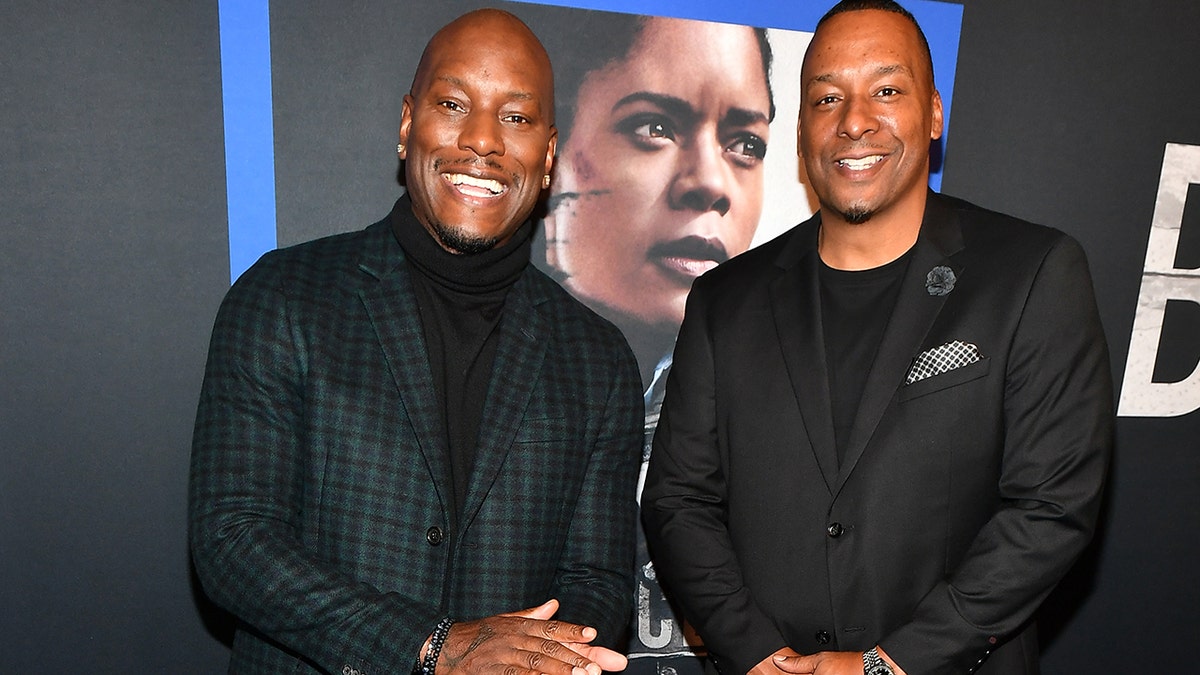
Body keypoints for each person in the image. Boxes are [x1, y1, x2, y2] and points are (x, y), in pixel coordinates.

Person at [641, 2, 1114, 675]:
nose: (854, 120)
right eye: (827, 97)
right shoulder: (725, 300)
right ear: (801, 130)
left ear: (935, 114)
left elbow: (1050, 507)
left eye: (886, 90)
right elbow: (678, 498)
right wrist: (760, 656)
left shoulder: (1031, 274)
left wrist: (885, 664)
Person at [189, 9, 643, 675]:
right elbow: (233, 540)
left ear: (547, 157)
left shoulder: (598, 359)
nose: (482, 139)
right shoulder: (284, 298)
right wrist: (431, 644)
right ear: (408, 125)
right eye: (454, 104)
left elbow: (598, 577)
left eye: (515, 116)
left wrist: (541, 659)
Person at [535, 14, 775, 675]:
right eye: (655, 127)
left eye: (744, 143)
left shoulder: (795, 391)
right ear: (552, 152)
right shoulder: (497, 381)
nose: (711, 182)